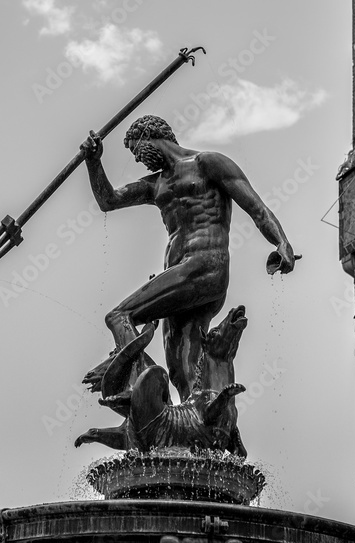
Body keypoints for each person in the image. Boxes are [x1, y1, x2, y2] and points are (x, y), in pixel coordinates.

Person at [80, 115, 294, 401]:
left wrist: (282, 242)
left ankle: (136, 389)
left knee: (119, 316)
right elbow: (109, 201)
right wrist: (93, 162)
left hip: (204, 265)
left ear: (149, 137)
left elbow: (257, 208)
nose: (138, 161)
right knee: (183, 370)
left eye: (136, 151)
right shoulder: (155, 185)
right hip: (182, 278)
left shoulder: (209, 163)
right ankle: (192, 426)